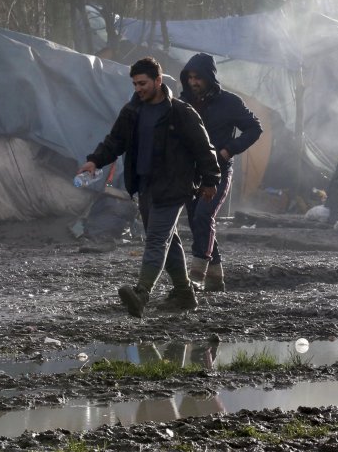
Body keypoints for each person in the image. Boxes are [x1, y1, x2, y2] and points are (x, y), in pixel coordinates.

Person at [79, 57, 220, 318]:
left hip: (174, 186)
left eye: (143, 83)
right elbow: (115, 141)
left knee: (156, 238)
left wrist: (210, 180)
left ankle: (142, 293)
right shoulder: (132, 111)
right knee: (169, 239)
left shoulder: (181, 112)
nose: (138, 89)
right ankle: (185, 294)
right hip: (145, 186)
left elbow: (204, 148)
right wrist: (94, 161)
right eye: (135, 84)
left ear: (158, 80)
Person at [179, 53, 263, 292]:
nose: (194, 82)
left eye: (198, 77)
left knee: (204, 216)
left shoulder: (230, 102)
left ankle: (196, 275)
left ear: (209, 77)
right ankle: (216, 277)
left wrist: (228, 150)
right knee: (198, 223)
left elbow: (254, 128)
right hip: (191, 173)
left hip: (218, 172)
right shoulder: (183, 103)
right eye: (190, 77)